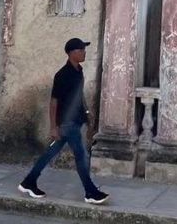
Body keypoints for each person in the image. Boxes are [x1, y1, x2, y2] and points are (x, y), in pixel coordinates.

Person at [18, 38, 109, 204]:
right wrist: (53, 127)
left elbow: (79, 95)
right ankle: (90, 192)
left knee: (49, 153)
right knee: (81, 156)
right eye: (81, 50)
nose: (84, 52)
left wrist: (88, 112)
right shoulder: (62, 75)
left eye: (84, 49)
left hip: (74, 120)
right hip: (66, 123)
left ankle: (29, 182)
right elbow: (54, 101)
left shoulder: (78, 71)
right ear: (72, 53)